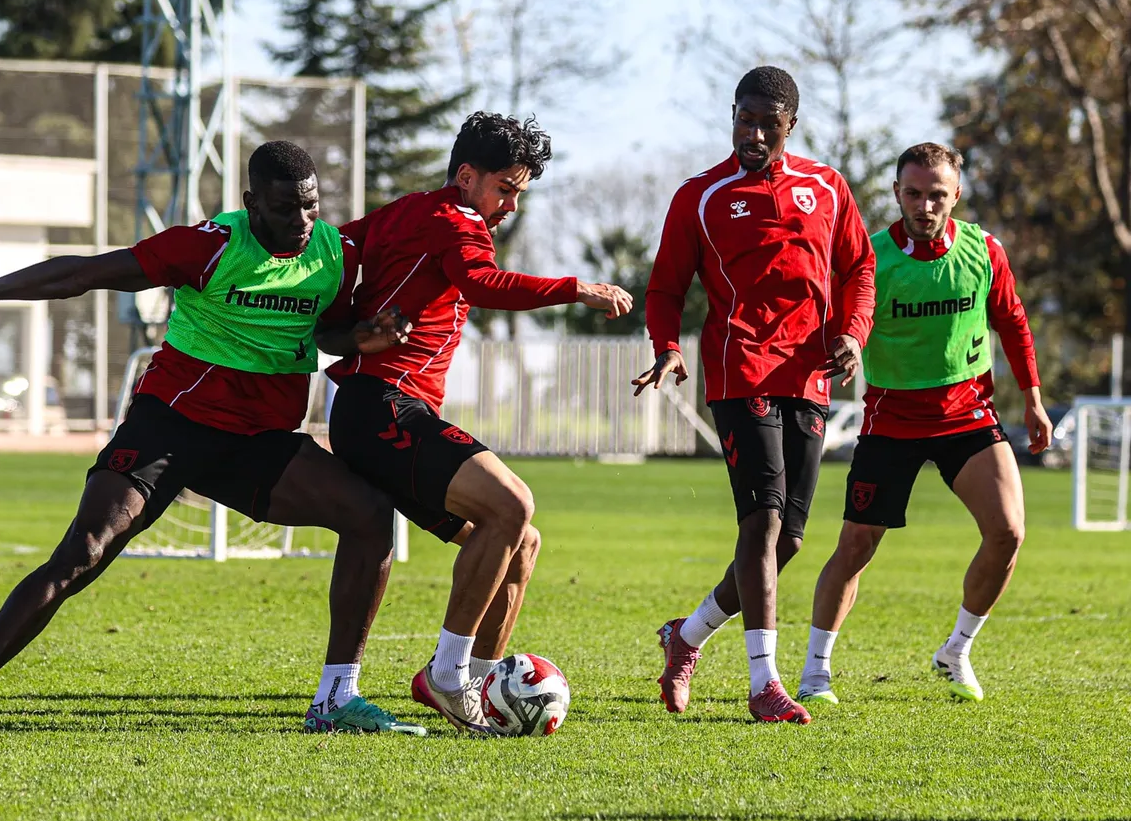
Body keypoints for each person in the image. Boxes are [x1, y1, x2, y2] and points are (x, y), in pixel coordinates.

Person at [0, 141, 427, 736]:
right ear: (251, 202)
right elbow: (83, 273)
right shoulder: (208, 246)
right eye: (284, 209)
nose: (301, 221)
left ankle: (335, 699)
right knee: (85, 552)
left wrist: (362, 337)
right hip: (170, 427)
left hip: (258, 441)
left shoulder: (335, 253)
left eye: (310, 207)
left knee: (370, 516)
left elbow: (325, 331)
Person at [316, 111, 633, 733]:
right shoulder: (456, 219)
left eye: (519, 192)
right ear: (466, 177)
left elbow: (333, 250)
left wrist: (346, 322)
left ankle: (479, 687)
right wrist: (577, 289)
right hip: (382, 405)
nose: (511, 205)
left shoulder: (404, 213)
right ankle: (447, 674)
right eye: (505, 189)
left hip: (375, 410)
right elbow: (482, 283)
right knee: (513, 504)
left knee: (521, 542)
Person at [633, 66, 876, 724]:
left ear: (791, 125)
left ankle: (685, 636)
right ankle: (764, 683)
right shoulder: (701, 196)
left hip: (809, 373)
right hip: (740, 368)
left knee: (788, 539)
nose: (756, 134)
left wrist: (852, 333)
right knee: (762, 521)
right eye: (746, 120)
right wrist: (668, 346)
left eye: (771, 124)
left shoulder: (826, 187)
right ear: (733, 115)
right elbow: (665, 286)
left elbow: (859, 267)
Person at [796, 143, 1052, 706]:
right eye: (913, 193)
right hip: (892, 420)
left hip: (967, 414)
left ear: (956, 194)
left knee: (1008, 532)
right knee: (856, 546)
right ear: (897, 193)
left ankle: (956, 650)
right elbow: (848, 321)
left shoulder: (984, 250)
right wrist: (847, 348)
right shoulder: (872, 258)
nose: (925, 205)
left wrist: (1033, 400)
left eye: (937, 194)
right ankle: (815, 673)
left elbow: (1012, 321)